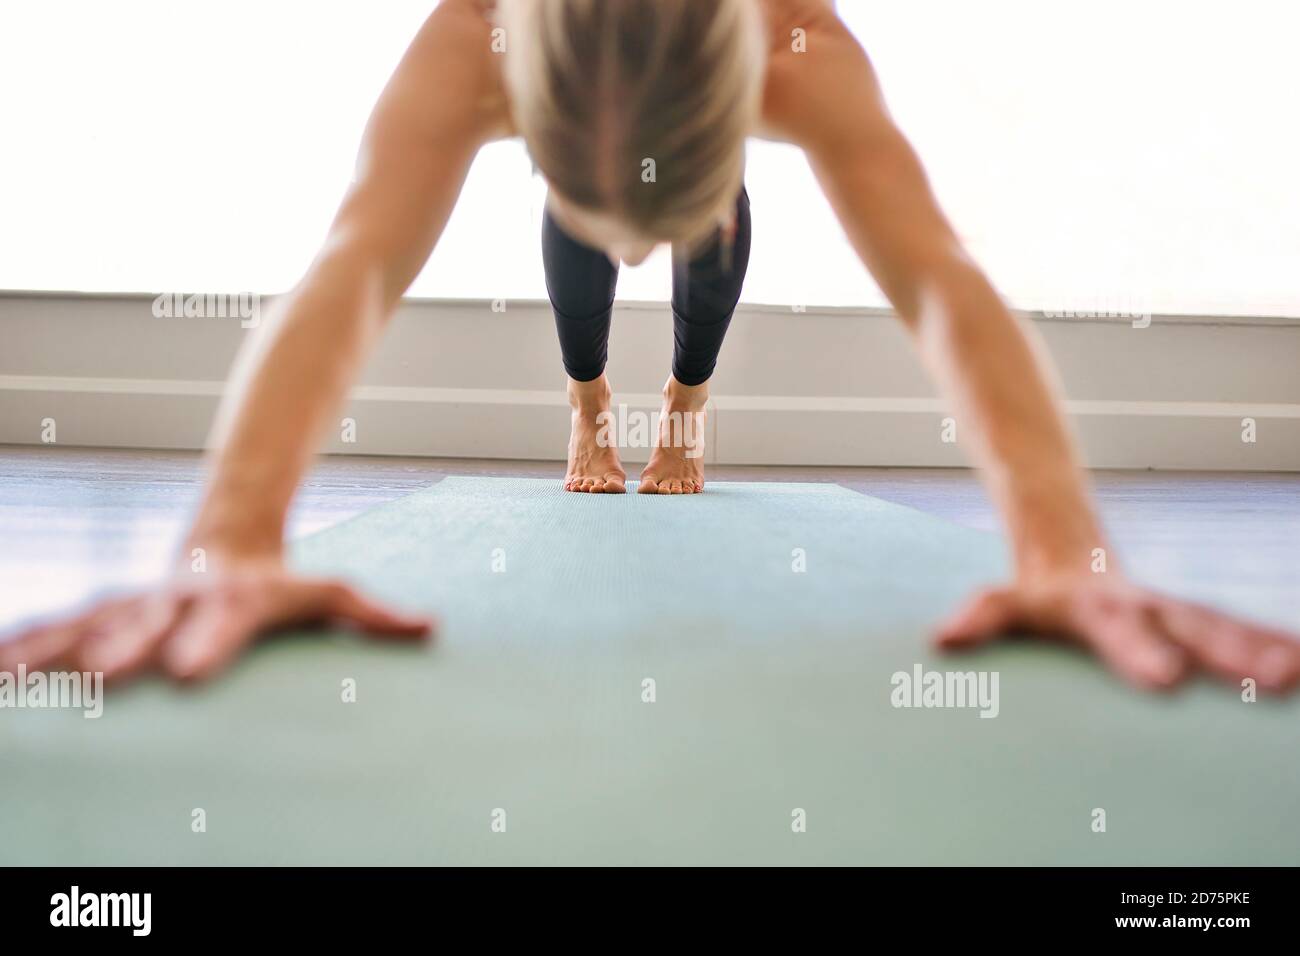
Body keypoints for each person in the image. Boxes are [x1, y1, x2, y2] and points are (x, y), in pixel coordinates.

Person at [2, 0, 1297, 693]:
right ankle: (590, 404)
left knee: (703, 240)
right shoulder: (472, 38)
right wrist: (229, 538)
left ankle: (682, 402)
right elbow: (354, 268)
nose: (627, 256)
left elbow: (941, 282)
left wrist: (1065, 552)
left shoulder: (801, 42)